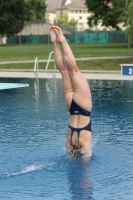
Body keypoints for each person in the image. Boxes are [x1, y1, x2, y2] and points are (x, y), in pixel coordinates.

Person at [49, 26, 92, 157]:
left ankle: (61, 41)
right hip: (71, 110)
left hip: (82, 108)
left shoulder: (85, 143)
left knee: (72, 70)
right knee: (65, 72)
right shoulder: (72, 142)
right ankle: (56, 43)